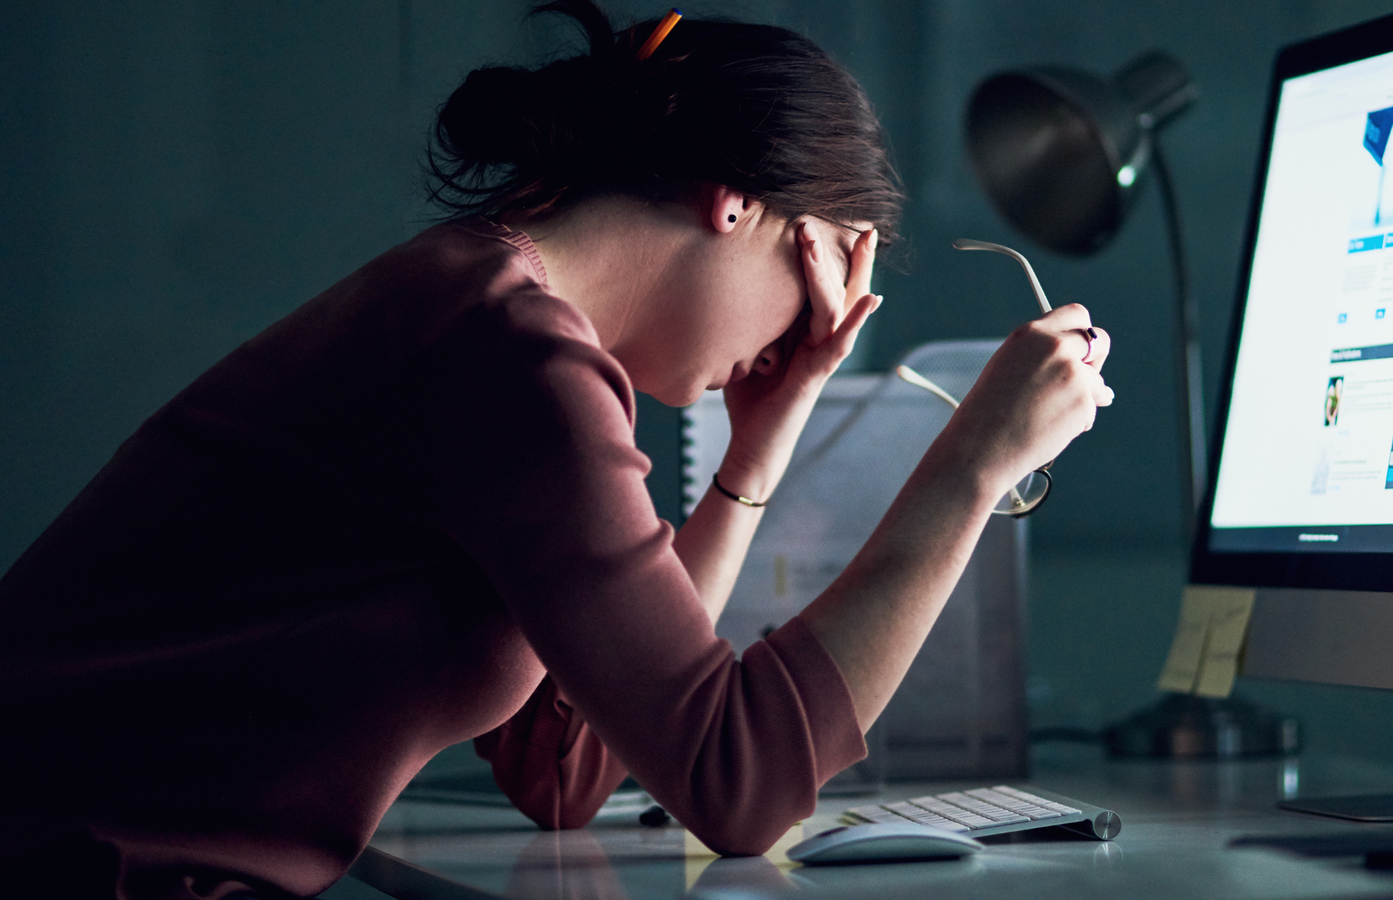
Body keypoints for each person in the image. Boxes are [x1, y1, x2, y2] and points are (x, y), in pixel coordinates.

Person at [0, 2, 1113, 897]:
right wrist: (971, 465)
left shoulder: (501, 322)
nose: (813, 327)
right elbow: (739, 787)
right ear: (738, 206)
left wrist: (753, 459)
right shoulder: (512, 355)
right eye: (820, 271)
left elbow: (564, 772)